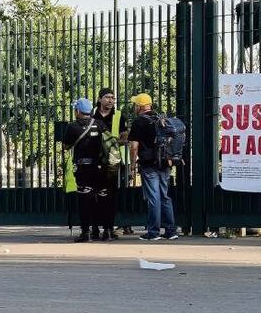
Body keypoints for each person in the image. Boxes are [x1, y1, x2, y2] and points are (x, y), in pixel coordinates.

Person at [126, 93, 177, 241]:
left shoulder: (139, 122)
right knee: (165, 196)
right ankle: (171, 230)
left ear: (140, 107)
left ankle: (153, 232)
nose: (134, 107)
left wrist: (132, 164)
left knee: (153, 197)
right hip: (164, 163)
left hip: (148, 164)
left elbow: (134, 146)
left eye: (135, 105)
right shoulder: (161, 119)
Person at [63, 98, 114, 243]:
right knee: (104, 198)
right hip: (102, 167)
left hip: (84, 167)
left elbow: (66, 146)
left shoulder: (73, 127)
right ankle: (108, 231)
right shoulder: (100, 124)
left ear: (78, 111)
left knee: (85, 199)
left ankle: (87, 232)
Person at [92, 87, 131, 236]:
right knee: (93, 194)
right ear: (100, 99)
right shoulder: (92, 115)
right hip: (94, 158)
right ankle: (94, 227)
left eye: (112, 98)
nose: (110, 100)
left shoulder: (119, 116)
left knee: (110, 194)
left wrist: (110, 143)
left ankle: (108, 228)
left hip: (113, 160)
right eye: (107, 97)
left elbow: (124, 137)